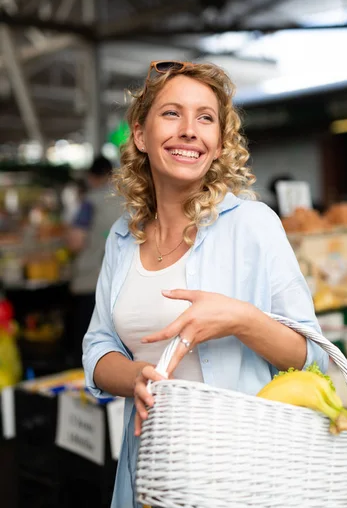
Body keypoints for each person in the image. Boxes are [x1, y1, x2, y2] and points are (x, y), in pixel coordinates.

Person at [82, 61, 328, 508]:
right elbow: (98, 347)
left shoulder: (253, 225)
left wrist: (241, 319)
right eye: (172, 113)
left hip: (241, 480)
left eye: (206, 117)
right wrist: (135, 375)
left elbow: (313, 358)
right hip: (150, 480)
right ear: (140, 134)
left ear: (218, 145)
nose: (190, 130)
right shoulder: (122, 237)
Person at [67, 155, 121, 366]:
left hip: (90, 281)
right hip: (120, 281)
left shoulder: (90, 202)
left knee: (87, 345)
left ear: (92, 176)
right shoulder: (129, 198)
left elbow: (76, 241)